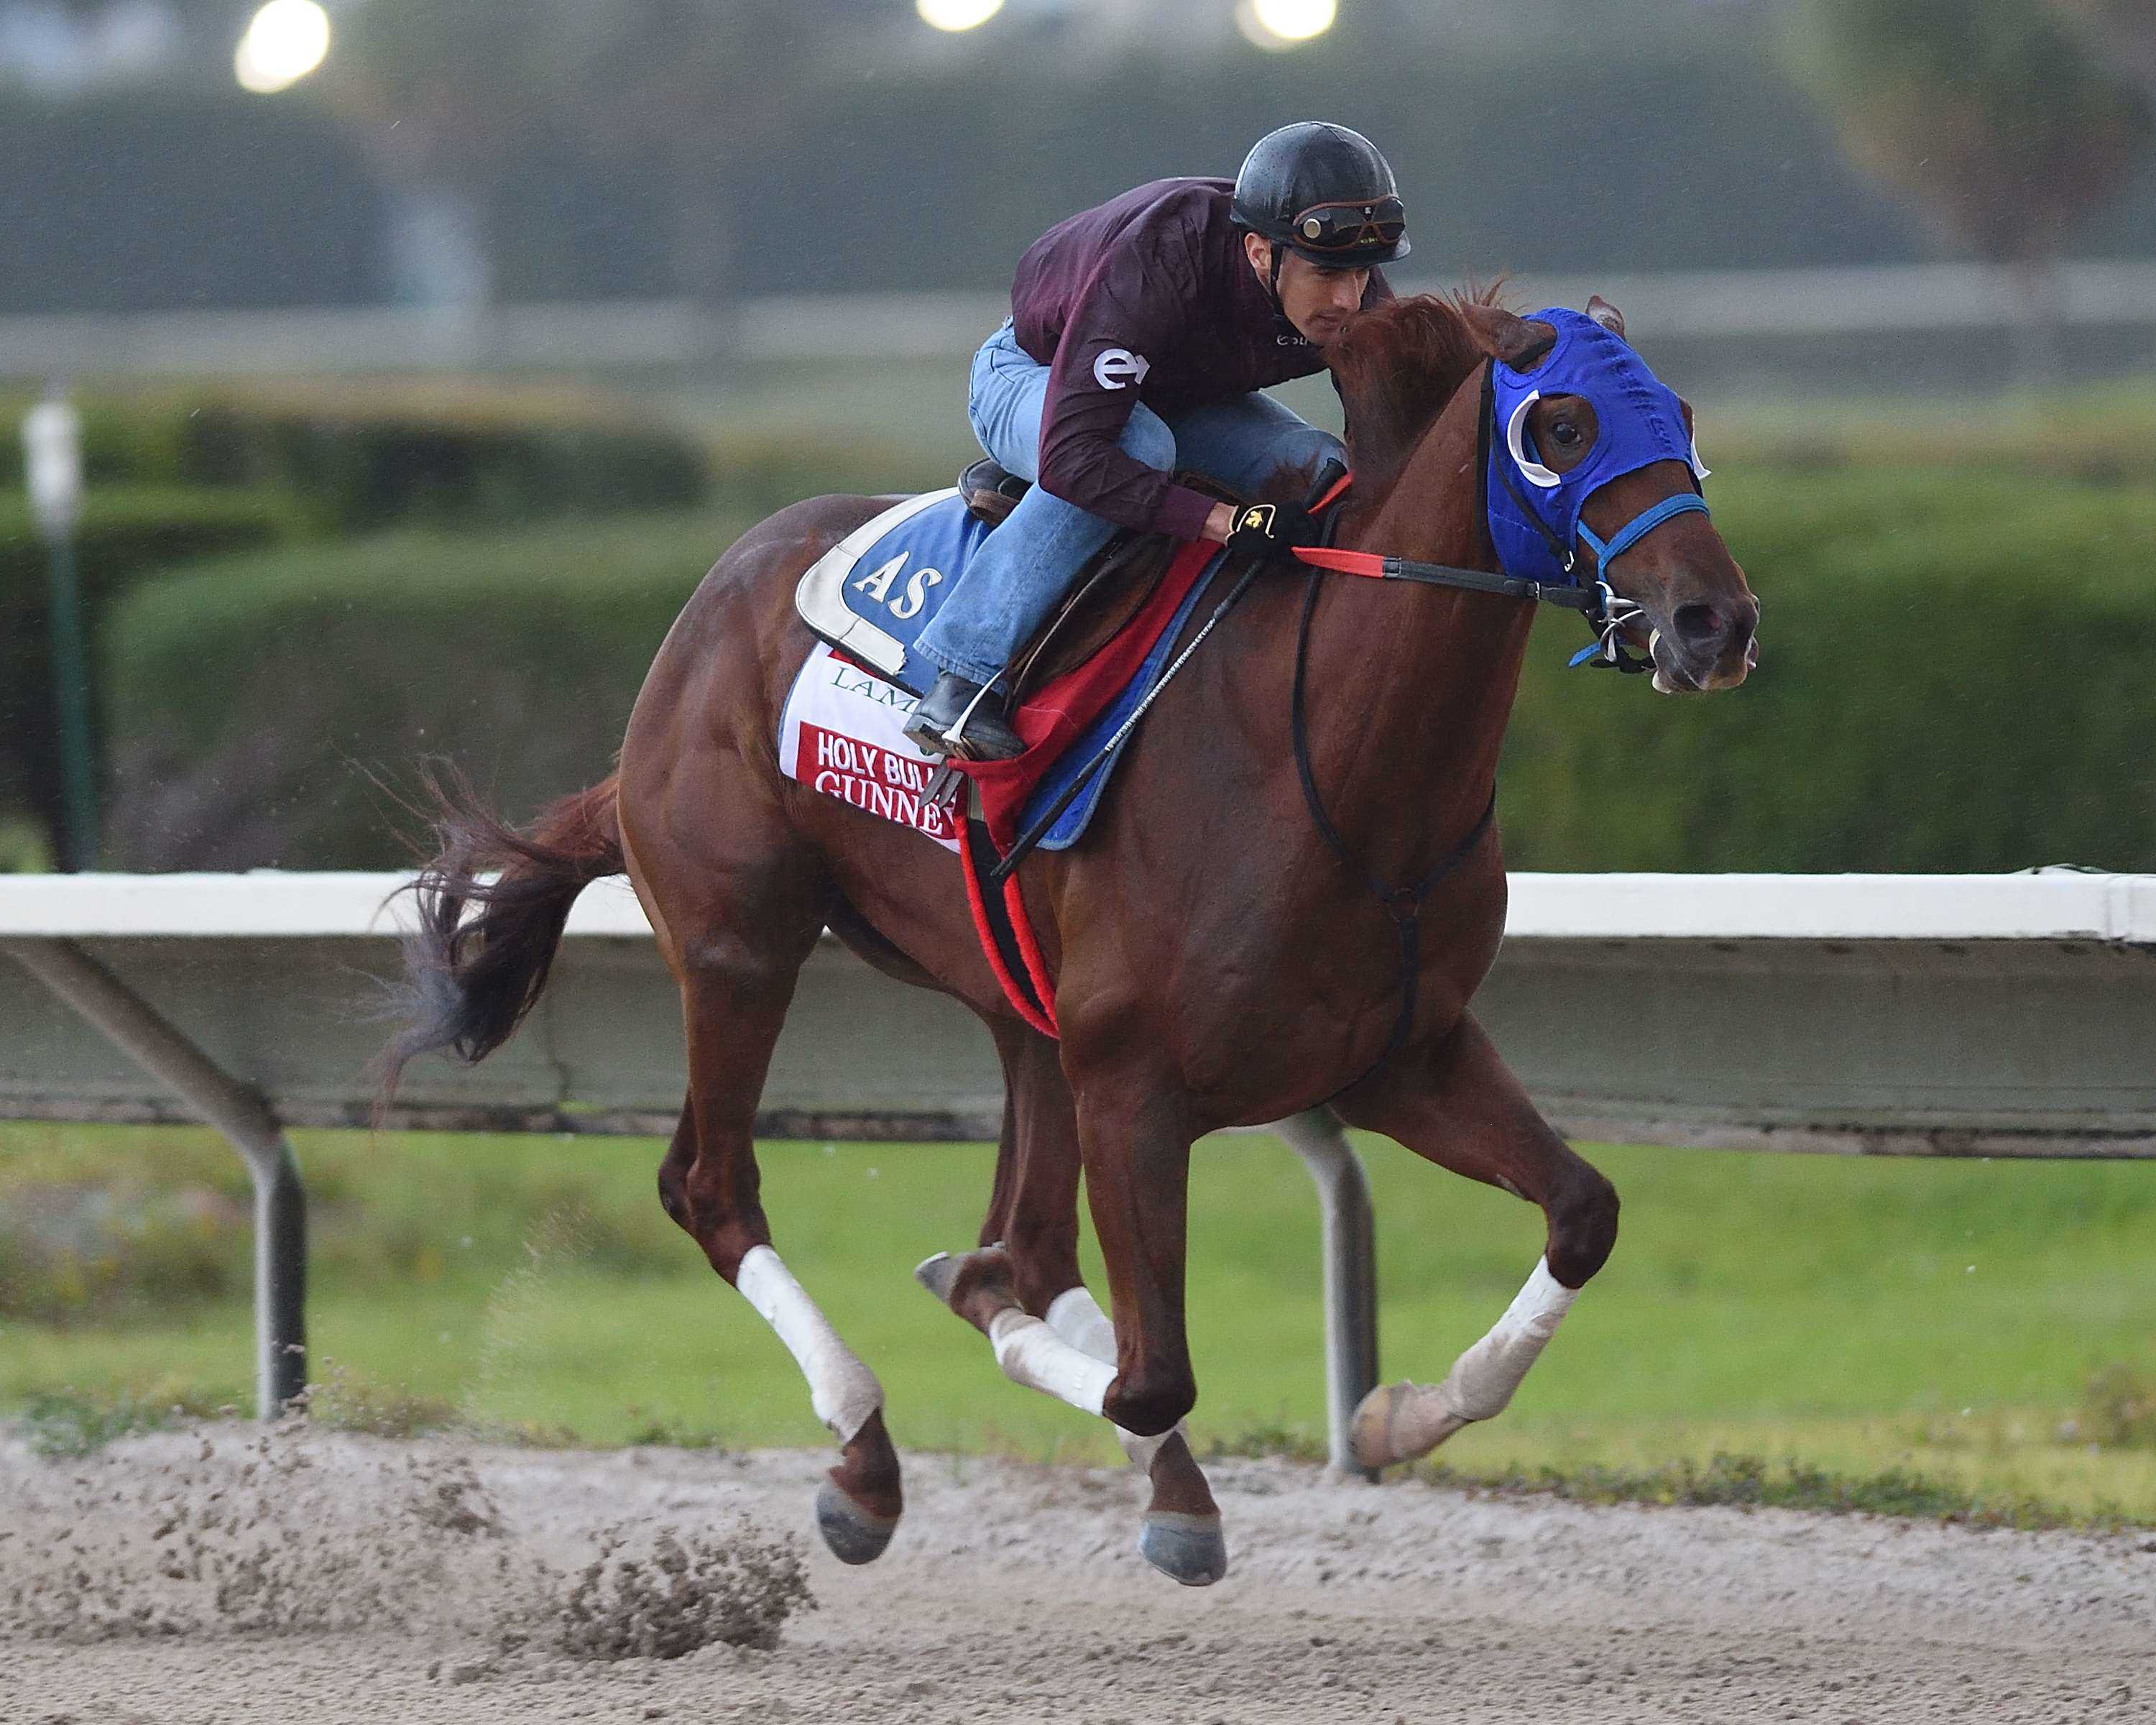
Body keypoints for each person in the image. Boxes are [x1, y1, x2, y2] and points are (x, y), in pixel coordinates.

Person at [902, 121, 1409, 761]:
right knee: (1138, 451)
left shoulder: (1352, 291)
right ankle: (962, 680)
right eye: (1324, 275)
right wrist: (1224, 521)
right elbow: (1077, 456)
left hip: (1180, 398)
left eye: (1361, 275)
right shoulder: (1157, 264)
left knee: (1323, 470)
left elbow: (1384, 431)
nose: (1346, 299)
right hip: (1033, 374)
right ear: (1260, 252)